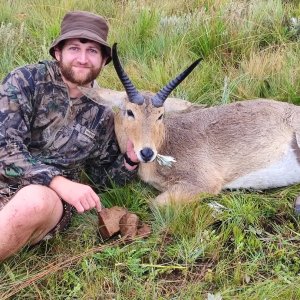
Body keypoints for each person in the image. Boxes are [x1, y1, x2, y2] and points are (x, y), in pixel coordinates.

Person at [0, 11, 140, 261]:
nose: (83, 59)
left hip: (46, 201)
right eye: (74, 48)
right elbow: (5, 148)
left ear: (104, 60)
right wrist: (58, 181)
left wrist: (129, 160)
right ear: (58, 52)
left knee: (34, 201)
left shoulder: (103, 113)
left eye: (93, 51)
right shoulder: (25, 81)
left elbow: (103, 178)